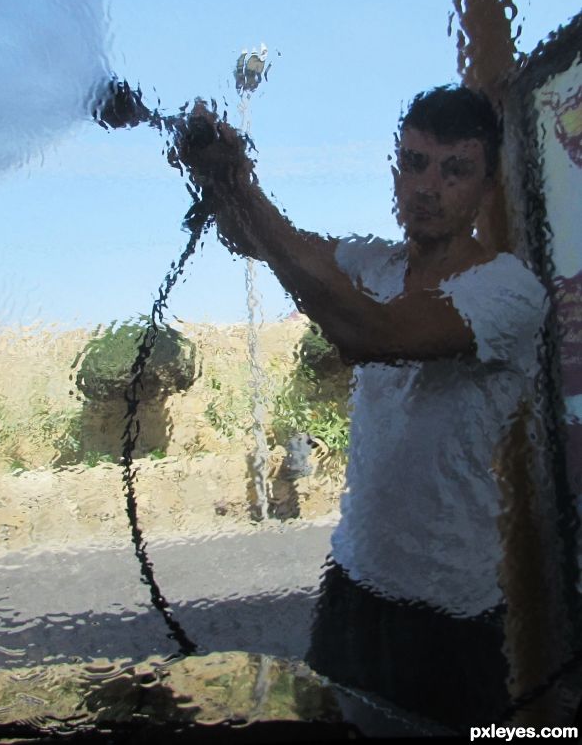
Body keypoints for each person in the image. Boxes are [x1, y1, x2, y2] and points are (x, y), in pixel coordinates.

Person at [172, 84, 547, 731]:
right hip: (349, 587)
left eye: (454, 170)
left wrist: (241, 178)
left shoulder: (509, 289)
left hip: (449, 616)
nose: (427, 186)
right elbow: (255, 241)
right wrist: (208, 172)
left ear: (487, 189)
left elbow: (374, 335)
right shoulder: (370, 261)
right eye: (413, 162)